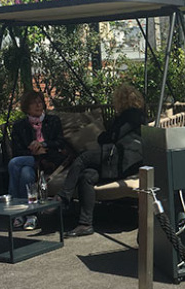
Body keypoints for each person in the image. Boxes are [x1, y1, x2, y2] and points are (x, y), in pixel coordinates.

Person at [56, 83, 147, 237]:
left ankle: (63, 197)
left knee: (83, 158)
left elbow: (112, 137)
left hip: (122, 160)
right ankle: (85, 224)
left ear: (120, 100)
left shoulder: (130, 115)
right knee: (87, 176)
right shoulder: (137, 115)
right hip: (124, 162)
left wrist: (101, 136)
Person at [8, 90, 67, 230]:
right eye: (34, 103)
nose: (38, 105)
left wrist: (44, 145)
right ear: (26, 107)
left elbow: (60, 142)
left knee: (16, 166)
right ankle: (30, 215)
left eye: (40, 102)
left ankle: (17, 211)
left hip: (49, 159)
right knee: (25, 172)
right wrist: (33, 151)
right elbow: (17, 151)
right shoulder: (19, 126)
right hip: (30, 159)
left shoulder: (53, 121)